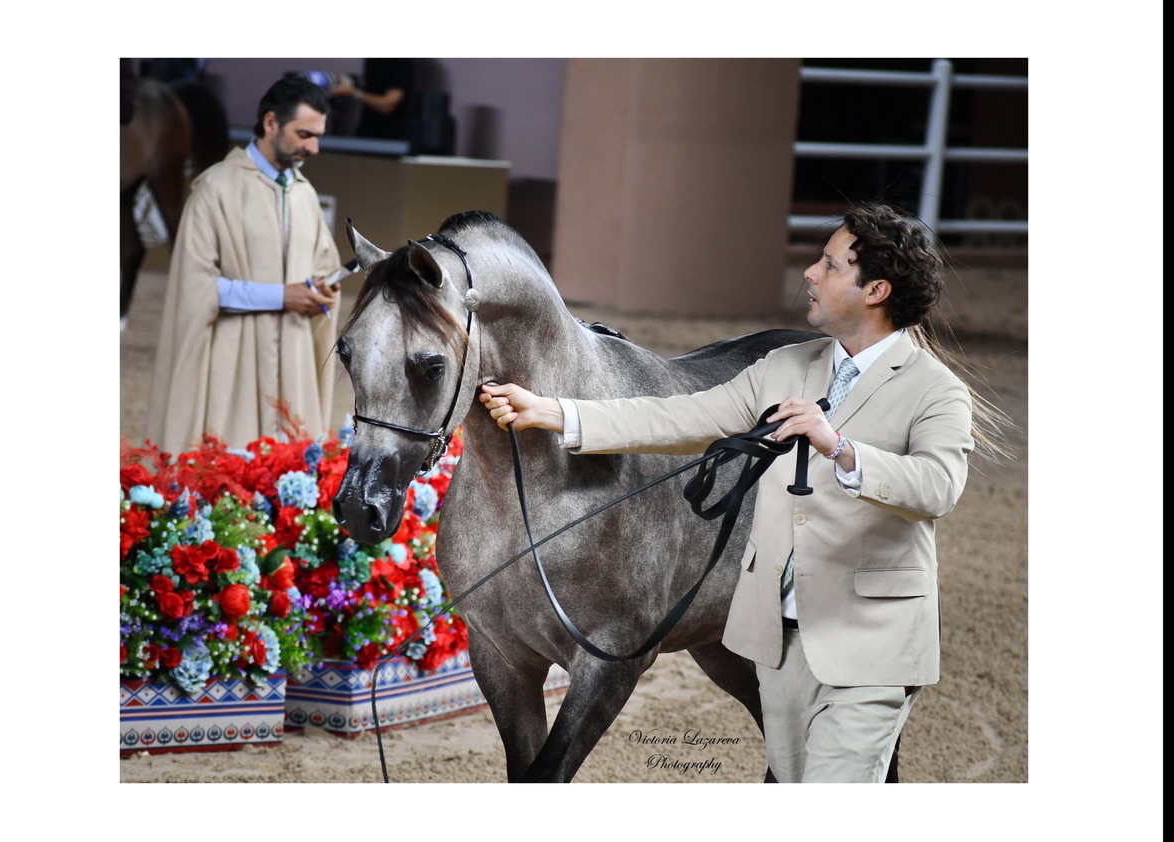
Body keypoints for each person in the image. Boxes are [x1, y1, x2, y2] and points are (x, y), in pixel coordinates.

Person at [480, 201, 1005, 783]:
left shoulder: (936, 391)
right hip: (778, 642)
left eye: (829, 266)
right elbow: (681, 416)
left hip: (870, 644)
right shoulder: (785, 366)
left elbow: (937, 488)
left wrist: (839, 447)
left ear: (875, 289)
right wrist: (553, 412)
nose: (809, 272)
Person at [144, 76, 342, 455]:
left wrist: (324, 294)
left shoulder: (305, 195)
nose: (314, 147)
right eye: (304, 134)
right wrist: (280, 296)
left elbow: (321, 269)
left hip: (294, 365)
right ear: (271, 123)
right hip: (233, 365)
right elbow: (195, 287)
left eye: (317, 136)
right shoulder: (215, 189)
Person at [327, 58, 414, 141]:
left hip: (390, 137)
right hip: (366, 132)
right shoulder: (371, 62)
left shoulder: (399, 62)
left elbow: (388, 106)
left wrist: (354, 92)